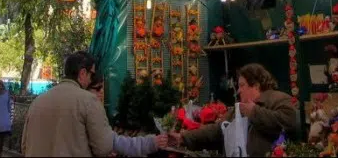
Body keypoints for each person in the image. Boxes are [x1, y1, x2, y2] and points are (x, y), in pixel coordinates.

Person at [22, 51, 167, 157]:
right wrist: (150, 143)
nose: (92, 80)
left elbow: (24, 146)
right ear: (83, 73)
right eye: (92, 74)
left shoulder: (38, 101)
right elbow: (104, 147)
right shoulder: (87, 101)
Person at [169, 64, 298, 157]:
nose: (238, 91)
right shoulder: (238, 109)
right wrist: (184, 137)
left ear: (256, 86)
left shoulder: (279, 99)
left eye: (242, 85)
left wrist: (254, 112)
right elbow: (216, 130)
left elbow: (289, 122)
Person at [86, 72, 163, 156]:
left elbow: (112, 141)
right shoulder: (90, 112)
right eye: (98, 88)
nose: (102, 91)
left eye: (102, 87)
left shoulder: (96, 110)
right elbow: (111, 143)